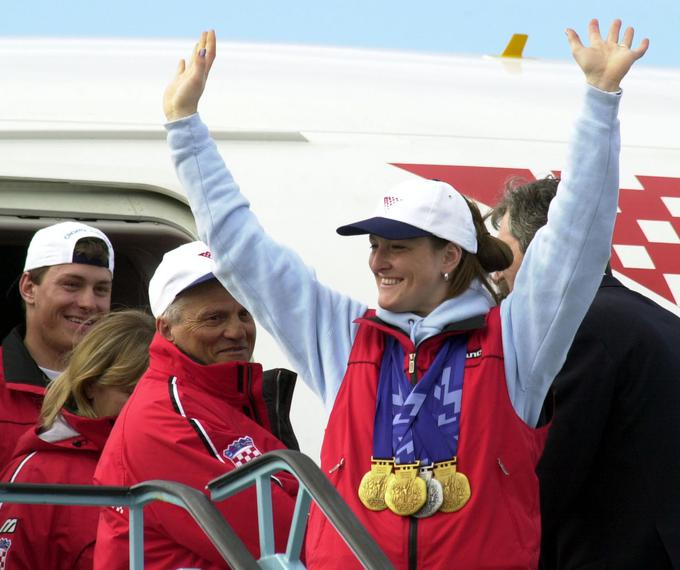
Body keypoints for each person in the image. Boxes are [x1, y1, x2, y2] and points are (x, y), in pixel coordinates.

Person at [162, 21, 647, 568]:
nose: (377, 261)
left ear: (449, 257)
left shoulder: (516, 341)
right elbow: (242, 249)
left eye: (398, 246)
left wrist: (600, 101)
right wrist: (185, 127)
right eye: (374, 245)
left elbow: (576, 234)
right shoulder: (343, 338)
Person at [491, 178, 680, 569]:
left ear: (544, 249)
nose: (494, 272)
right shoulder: (657, 320)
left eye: (502, 251)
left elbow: (548, 478)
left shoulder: (579, 330)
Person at [94, 241, 299, 570]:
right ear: (166, 329)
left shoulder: (219, 400)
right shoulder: (165, 415)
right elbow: (285, 536)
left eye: (244, 314)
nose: (236, 331)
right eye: (214, 318)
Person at [0, 309, 154, 570]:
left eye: (156, 394)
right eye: (130, 392)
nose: (144, 407)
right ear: (91, 384)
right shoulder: (40, 473)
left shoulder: (183, 459)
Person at [0, 221, 114, 469]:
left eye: (101, 289)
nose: (88, 303)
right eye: (71, 285)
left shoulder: (124, 387)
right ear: (29, 288)